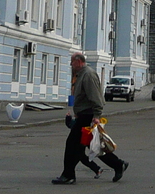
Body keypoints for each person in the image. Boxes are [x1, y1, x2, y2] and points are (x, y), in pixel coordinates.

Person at [53, 53, 128, 183]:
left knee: (72, 145)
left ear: (78, 61)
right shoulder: (81, 74)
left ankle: (68, 175)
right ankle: (118, 164)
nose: (71, 64)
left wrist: (97, 115)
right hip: (84, 114)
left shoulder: (88, 75)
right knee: (92, 146)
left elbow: (95, 97)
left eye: (72, 61)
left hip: (87, 115)